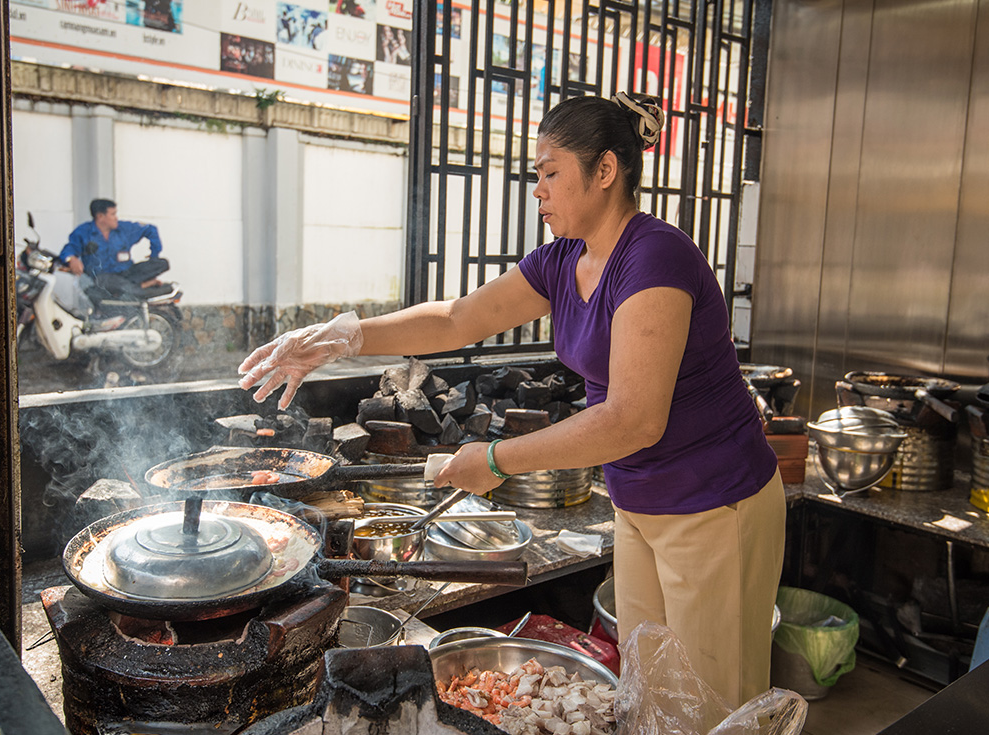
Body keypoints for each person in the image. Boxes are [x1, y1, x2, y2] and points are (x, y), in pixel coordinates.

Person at [237, 92, 785, 708]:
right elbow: (457, 320)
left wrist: (494, 460)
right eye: (536, 176)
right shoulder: (563, 261)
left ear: (605, 171)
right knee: (653, 697)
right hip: (641, 504)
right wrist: (348, 336)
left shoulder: (653, 256)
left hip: (715, 505)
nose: (539, 191)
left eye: (551, 173)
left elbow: (633, 419)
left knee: (715, 706)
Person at [60, 198, 170, 297]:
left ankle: (138, 285)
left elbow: (150, 229)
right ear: (100, 216)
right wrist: (72, 259)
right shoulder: (84, 232)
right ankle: (143, 286)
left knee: (162, 263)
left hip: (128, 273)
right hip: (104, 277)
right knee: (114, 283)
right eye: (112, 214)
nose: (116, 218)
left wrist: (154, 254)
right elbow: (69, 249)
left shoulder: (124, 229)